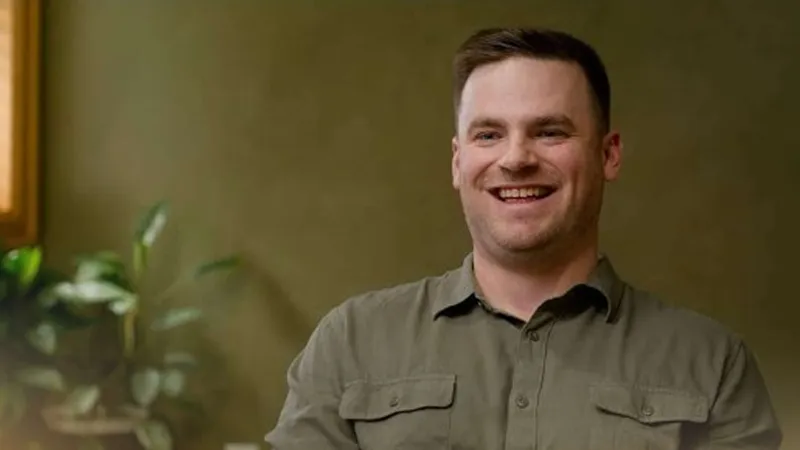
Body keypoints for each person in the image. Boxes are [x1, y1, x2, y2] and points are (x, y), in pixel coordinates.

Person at [265, 27, 782, 449]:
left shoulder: (712, 364)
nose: (515, 159)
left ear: (609, 155)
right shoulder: (351, 343)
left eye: (550, 132)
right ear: (457, 160)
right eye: (488, 134)